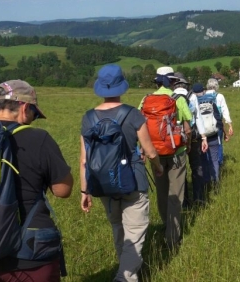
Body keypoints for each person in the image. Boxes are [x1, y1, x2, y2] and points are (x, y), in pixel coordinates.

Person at [0, 80, 74, 282]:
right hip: (30, 252)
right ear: (24, 107)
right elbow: (62, 190)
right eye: (33, 112)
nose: (32, 119)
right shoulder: (39, 138)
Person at [80, 64, 163, 282]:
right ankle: (124, 276)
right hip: (133, 180)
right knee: (135, 231)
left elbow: (83, 160)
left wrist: (84, 191)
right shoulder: (132, 114)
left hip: (103, 182)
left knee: (119, 229)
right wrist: (158, 168)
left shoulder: (88, 118)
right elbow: (150, 151)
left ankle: (128, 273)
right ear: (121, 87)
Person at [138, 66, 191, 250]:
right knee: (176, 195)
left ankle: (165, 225)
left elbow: (140, 127)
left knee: (162, 193)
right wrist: (188, 144)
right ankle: (173, 238)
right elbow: (188, 128)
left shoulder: (146, 100)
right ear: (173, 81)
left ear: (157, 81)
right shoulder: (178, 99)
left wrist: (144, 150)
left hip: (155, 154)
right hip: (176, 153)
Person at [172, 73, 208, 207]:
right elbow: (198, 118)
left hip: (176, 139)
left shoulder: (170, 97)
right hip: (193, 136)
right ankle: (199, 198)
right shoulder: (192, 96)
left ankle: (184, 201)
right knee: (196, 166)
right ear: (186, 85)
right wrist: (203, 137)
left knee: (181, 170)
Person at [192, 83, 222, 192]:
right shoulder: (211, 100)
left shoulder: (194, 103)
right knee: (214, 160)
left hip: (201, 137)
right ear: (203, 91)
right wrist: (221, 130)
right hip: (213, 134)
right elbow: (218, 117)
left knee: (203, 160)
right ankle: (216, 182)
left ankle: (206, 183)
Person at [205, 78, 234, 165]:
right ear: (216, 86)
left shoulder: (203, 95)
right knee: (218, 144)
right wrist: (230, 125)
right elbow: (225, 111)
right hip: (218, 125)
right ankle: (219, 164)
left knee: (206, 144)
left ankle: (208, 163)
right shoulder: (220, 96)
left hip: (205, 126)